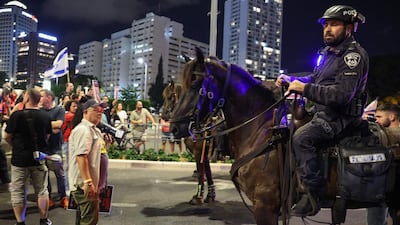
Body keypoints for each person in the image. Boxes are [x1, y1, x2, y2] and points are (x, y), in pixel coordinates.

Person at [275, 5, 368, 216]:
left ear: (350, 28)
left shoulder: (352, 57)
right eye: (326, 24)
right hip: (322, 112)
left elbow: (342, 95)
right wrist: (293, 80)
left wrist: (305, 89)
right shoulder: (328, 53)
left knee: (301, 138)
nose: (327, 29)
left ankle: (313, 193)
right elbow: (316, 80)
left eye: (334, 24)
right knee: (283, 130)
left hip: (341, 117)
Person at [5, 88, 53, 225]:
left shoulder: (16, 116)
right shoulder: (45, 116)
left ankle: (20, 221)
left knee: (18, 191)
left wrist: (16, 146)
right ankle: (44, 220)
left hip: (19, 159)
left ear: (26, 99)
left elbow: (7, 136)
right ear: (39, 100)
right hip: (39, 158)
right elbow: (47, 137)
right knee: (42, 190)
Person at [68, 99, 106, 225]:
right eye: (95, 110)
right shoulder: (84, 130)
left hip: (88, 184)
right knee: (90, 220)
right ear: (85, 112)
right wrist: (87, 182)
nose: (99, 113)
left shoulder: (93, 130)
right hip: (83, 185)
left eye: (101, 111)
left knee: (84, 218)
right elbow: (81, 156)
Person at [367, 103, 400, 225]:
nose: (376, 120)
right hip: (382, 189)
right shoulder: (380, 137)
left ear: (391, 117)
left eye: (379, 117)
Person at [40, 89, 67, 207]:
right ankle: (48, 197)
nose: (40, 99)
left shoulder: (59, 110)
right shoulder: (40, 111)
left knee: (59, 173)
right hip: (43, 147)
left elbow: (59, 125)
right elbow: (54, 127)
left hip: (56, 147)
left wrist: (44, 126)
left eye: (42, 96)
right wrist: (52, 126)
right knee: (44, 174)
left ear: (49, 97)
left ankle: (63, 196)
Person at [60, 99, 79, 209]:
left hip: (68, 142)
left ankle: (68, 188)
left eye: (77, 106)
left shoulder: (67, 115)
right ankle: (67, 189)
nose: (76, 108)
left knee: (69, 166)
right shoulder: (70, 116)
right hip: (67, 142)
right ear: (69, 107)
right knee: (68, 167)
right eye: (73, 106)